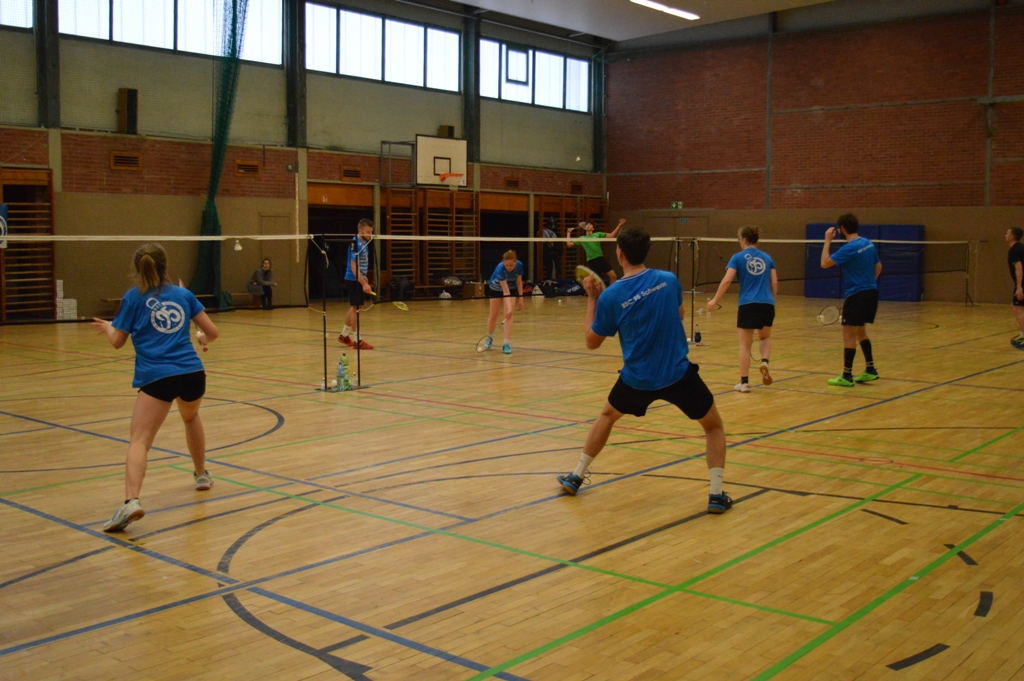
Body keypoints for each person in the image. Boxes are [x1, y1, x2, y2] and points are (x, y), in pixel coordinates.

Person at [556, 226, 732, 514]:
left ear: (620, 254)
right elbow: (679, 315)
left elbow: (591, 342)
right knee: (713, 426)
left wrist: (593, 300)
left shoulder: (611, 296)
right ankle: (716, 494)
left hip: (637, 380)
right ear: (646, 250)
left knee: (607, 416)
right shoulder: (669, 280)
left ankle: (576, 476)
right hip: (678, 375)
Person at [92, 243, 218, 532]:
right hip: (192, 373)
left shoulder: (133, 298)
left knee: (139, 441)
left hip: (158, 377)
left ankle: (131, 501)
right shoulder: (183, 295)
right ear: (165, 266)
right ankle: (201, 474)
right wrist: (202, 338)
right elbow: (212, 333)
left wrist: (111, 327)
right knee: (191, 418)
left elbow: (117, 341)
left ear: (138, 268)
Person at [706, 226, 777, 392]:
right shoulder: (767, 258)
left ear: (744, 239)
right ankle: (764, 362)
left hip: (747, 304)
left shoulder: (737, 258)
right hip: (767, 303)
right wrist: (771, 301)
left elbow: (727, 280)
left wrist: (715, 300)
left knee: (745, 345)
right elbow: (774, 283)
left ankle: (744, 383)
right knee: (764, 338)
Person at [820, 213, 882, 386]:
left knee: (848, 334)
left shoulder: (849, 248)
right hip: (871, 292)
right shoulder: (868, 243)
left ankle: (847, 375)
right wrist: (868, 284)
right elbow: (879, 267)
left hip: (856, 294)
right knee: (861, 331)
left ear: (842, 229)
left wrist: (827, 241)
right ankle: (870, 369)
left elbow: (824, 263)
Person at [339, 219, 374, 350]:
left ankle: (344, 336)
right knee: (356, 309)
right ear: (360, 231)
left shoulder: (364, 242)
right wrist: (364, 284)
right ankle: (357, 340)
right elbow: (354, 267)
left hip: (358, 278)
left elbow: (362, 264)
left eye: (371, 232)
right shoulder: (355, 243)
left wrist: (364, 278)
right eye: (368, 232)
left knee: (355, 306)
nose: (370, 235)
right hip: (353, 279)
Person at [482, 250, 524, 355]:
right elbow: (505, 291)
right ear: (503, 263)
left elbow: (519, 282)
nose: (509, 267)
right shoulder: (500, 268)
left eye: (511, 265)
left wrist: (521, 298)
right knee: (493, 315)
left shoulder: (519, 265)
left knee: (509, 316)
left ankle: (506, 344)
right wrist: (509, 307)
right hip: (496, 288)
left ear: (515, 262)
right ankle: (489, 338)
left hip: (511, 288)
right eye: (507, 265)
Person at [568, 218, 626, 285]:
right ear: (584, 228)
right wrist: (568, 233)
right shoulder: (582, 238)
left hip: (601, 259)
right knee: (596, 281)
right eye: (587, 224)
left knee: (613, 276)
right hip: (592, 261)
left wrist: (619, 225)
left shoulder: (597, 234)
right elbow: (569, 244)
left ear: (593, 228)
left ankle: (611, 291)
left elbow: (611, 236)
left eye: (590, 224)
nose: (588, 225)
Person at [1008, 227, 1024, 349]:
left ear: (1012, 237)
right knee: (1015, 307)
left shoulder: (1014, 250)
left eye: (1007, 233)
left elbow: (1018, 267)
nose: (1005, 235)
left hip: (1022, 284)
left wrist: (1019, 287)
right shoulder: (1021, 248)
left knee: (1019, 309)